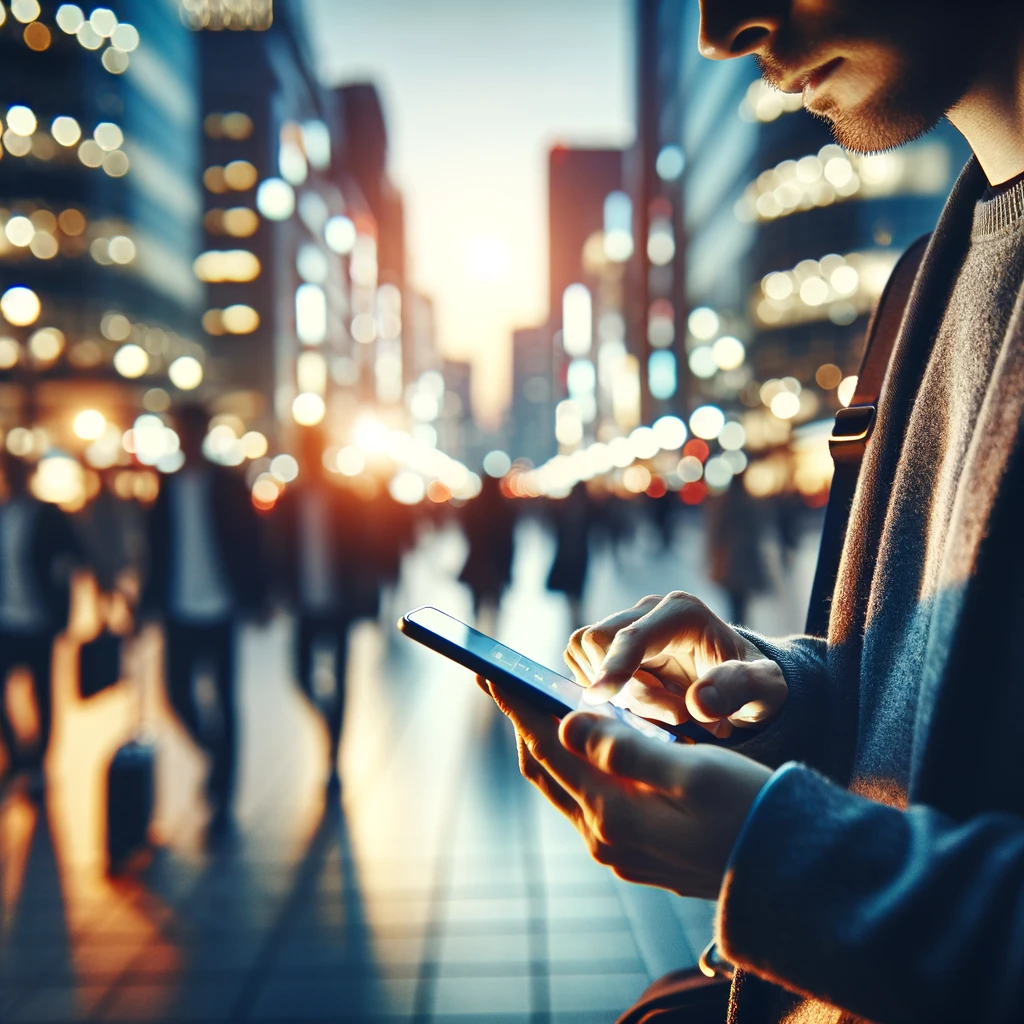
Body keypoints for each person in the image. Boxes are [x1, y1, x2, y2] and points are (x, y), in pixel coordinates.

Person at [478, 2, 1024, 1022]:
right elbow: (948, 717)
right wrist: (790, 698)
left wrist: (776, 855)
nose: (719, 30)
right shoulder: (926, 279)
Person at [140, 405, 267, 829]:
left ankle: (222, 795)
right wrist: (146, 603)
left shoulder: (228, 484)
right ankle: (216, 753)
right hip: (178, 608)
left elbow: (251, 542)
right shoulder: (166, 486)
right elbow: (154, 550)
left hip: (221, 606)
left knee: (225, 700)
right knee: (175, 695)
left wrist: (257, 596)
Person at [273, 427, 353, 791]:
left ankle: (334, 754)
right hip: (305, 605)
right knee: (302, 676)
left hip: (338, 604)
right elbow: (277, 548)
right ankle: (328, 720)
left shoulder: (343, 497)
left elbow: (361, 544)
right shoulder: (289, 500)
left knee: (340, 680)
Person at [0, 449, 79, 791]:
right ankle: (18, 755)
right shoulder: (4, 514)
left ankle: (38, 760)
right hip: (6, 619)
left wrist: (62, 605)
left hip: (39, 619)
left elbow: (71, 557)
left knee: (42, 691)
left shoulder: (48, 515)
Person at [458, 473, 516, 628]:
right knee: (494, 603)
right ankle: (492, 636)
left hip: (477, 563)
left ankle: (474, 630)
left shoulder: (474, 506)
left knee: (476, 601)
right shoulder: (503, 508)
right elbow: (508, 541)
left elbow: (467, 531)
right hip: (497, 565)